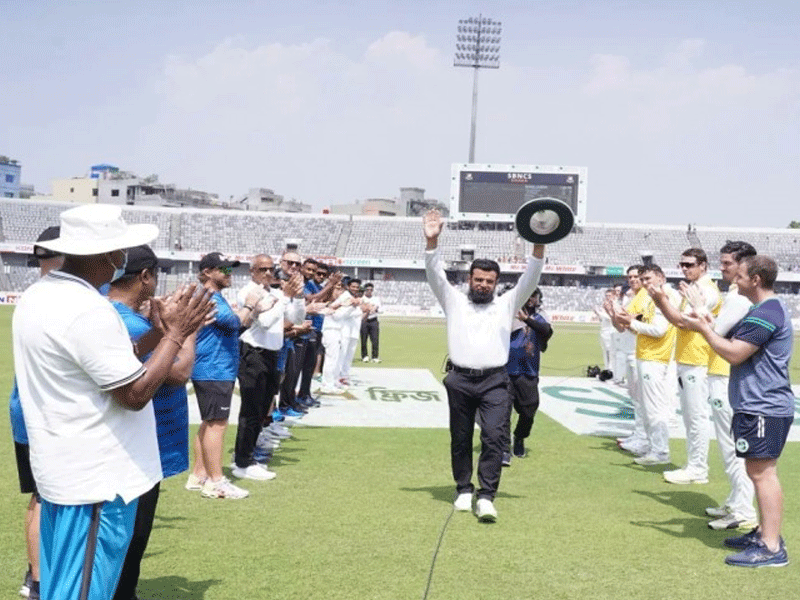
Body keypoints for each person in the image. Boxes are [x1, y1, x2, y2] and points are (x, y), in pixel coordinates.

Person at [12, 204, 213, 600]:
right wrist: (177, 334)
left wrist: (161, 333)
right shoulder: (87, 310)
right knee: (83, 592)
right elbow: (134, 395)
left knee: (63, 587)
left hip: (67, 471)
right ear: (111, 255)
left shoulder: (42, 295)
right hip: (96, 484)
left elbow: (113, 355)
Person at [424, 209, 544, 522]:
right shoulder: (453, 300)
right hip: (459, 380)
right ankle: (464, 488)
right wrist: (432, 241)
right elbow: (434, 274)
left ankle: (487, 495)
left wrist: (539, 243)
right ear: (469, 279)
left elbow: (531, 278)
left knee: (493, 437)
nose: (482, 285)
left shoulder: (507, 304)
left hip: (495, 382)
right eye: (478, 280)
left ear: (496, 283)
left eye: (489, 281)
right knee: (460, 437)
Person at [683, 255, 793, 568]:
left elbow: (734, 352)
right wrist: (703, 319)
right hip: (757, 405)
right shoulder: (761, 310)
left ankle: (771, 547)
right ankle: (763, 532)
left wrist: (702, 329)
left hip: (764, 406)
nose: (734, 279)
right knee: (756, 470)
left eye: (740, 275)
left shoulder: (767, 312)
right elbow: (729, 337)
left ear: (756, 279)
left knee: (762, 473)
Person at [107, 245, 196, 600]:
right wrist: (184, 331)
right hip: (136, 447)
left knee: (131, 536)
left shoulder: (123, 317)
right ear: (145, 277)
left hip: (142, 443)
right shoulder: (123, 320)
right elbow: (178, 373)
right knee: (130, 534)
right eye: (156, 275)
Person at [679, 241, 758, 530]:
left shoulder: (739, 297)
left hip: (726, 374)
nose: (722, 268)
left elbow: (715, 331)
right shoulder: (736, 294)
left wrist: (699, 308)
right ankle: (737, 501)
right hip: (721, 371)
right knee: (729, 445)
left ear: (744, 265)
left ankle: (743, 509)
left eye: (727, 263)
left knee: (733, 446)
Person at [9, 226, 63, 600]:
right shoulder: (52, 298)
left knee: (43, 495)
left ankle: (38, 578)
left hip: (31, 409)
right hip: (40, 413)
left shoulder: (38, 296)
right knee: (45, 496)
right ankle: (39, 580)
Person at [188, 252, 263, 499]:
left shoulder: (212, 297)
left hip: (212, 367)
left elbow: (236, 323)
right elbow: (235, 323)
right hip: (214, 368)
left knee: (209, 423)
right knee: (217, 425)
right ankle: (216, 481)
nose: (229, 274)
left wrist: (250, 311)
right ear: (208, 272)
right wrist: (251, 305)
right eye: (225, 270)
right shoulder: (209, 298)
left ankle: (199, 475)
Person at [649, 248, 721, 484]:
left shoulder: (707, 291)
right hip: (688, 358)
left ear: (703, 266)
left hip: (698, 360)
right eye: (682, 264)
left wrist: (661, 301)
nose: (685, 268)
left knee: (696, 417)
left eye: (690, 264)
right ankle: (694, 465)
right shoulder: (693, 289)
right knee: (691, 417)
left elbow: (682, 322)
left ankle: (698, 469)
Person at [233, 254, 304, 480]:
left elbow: (296, 317)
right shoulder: (248, 292)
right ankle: (242, 461)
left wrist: (298, 297)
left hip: (272, 353)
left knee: (263, 409)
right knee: (251, 409)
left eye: (270, 269)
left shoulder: (275, 293)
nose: (267, 273)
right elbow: (263, 323)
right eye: (262, 269)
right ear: (252, 271)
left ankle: (249, 456)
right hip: (254, 353)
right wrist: (285, 297)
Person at [611, 265, 678, 466]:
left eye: (649, 278)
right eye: (644, 279)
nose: (646, 283)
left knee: (654, 407)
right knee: (648, 406)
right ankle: (653, 447)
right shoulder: (651, 297)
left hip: (656, 358)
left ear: (661, 278)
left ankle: (660, 451)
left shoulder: (663, 297)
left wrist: (631, 323)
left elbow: (659, 330)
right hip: (647, 355)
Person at [504, 288, 552, 464]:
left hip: (528, 371)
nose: (531, 298)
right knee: (503, 412)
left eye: (534, 295)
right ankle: (504, 448)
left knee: (528, 411)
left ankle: (519, 437)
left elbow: (546, 331)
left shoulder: (541, 316)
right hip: (506, 370)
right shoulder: (509, 314)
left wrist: (526, 320)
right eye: (528, 294)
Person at [360, 282, 382, 363]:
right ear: (365, 290)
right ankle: (364, 356)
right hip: (364, 320)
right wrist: (367, 309)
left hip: (373, 320)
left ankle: (375, 356)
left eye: (371, 290)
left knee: (375, 339)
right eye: (368, 290)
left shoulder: (376, 299)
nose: (369, 291)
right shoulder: (362, 298)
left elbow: (381, 310)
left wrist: (375, 309)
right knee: (363, 339)